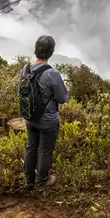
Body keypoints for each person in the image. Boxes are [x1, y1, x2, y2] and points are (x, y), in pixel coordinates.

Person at [22, 35, 69, 189]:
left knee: (31, 146)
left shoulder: (25, 69)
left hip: (29, 116)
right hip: (47, 120)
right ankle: (42, 180)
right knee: (44, 150)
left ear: (36, 49)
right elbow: (62, 98)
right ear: (51, 52)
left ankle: (29, 179)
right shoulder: (52, 74)